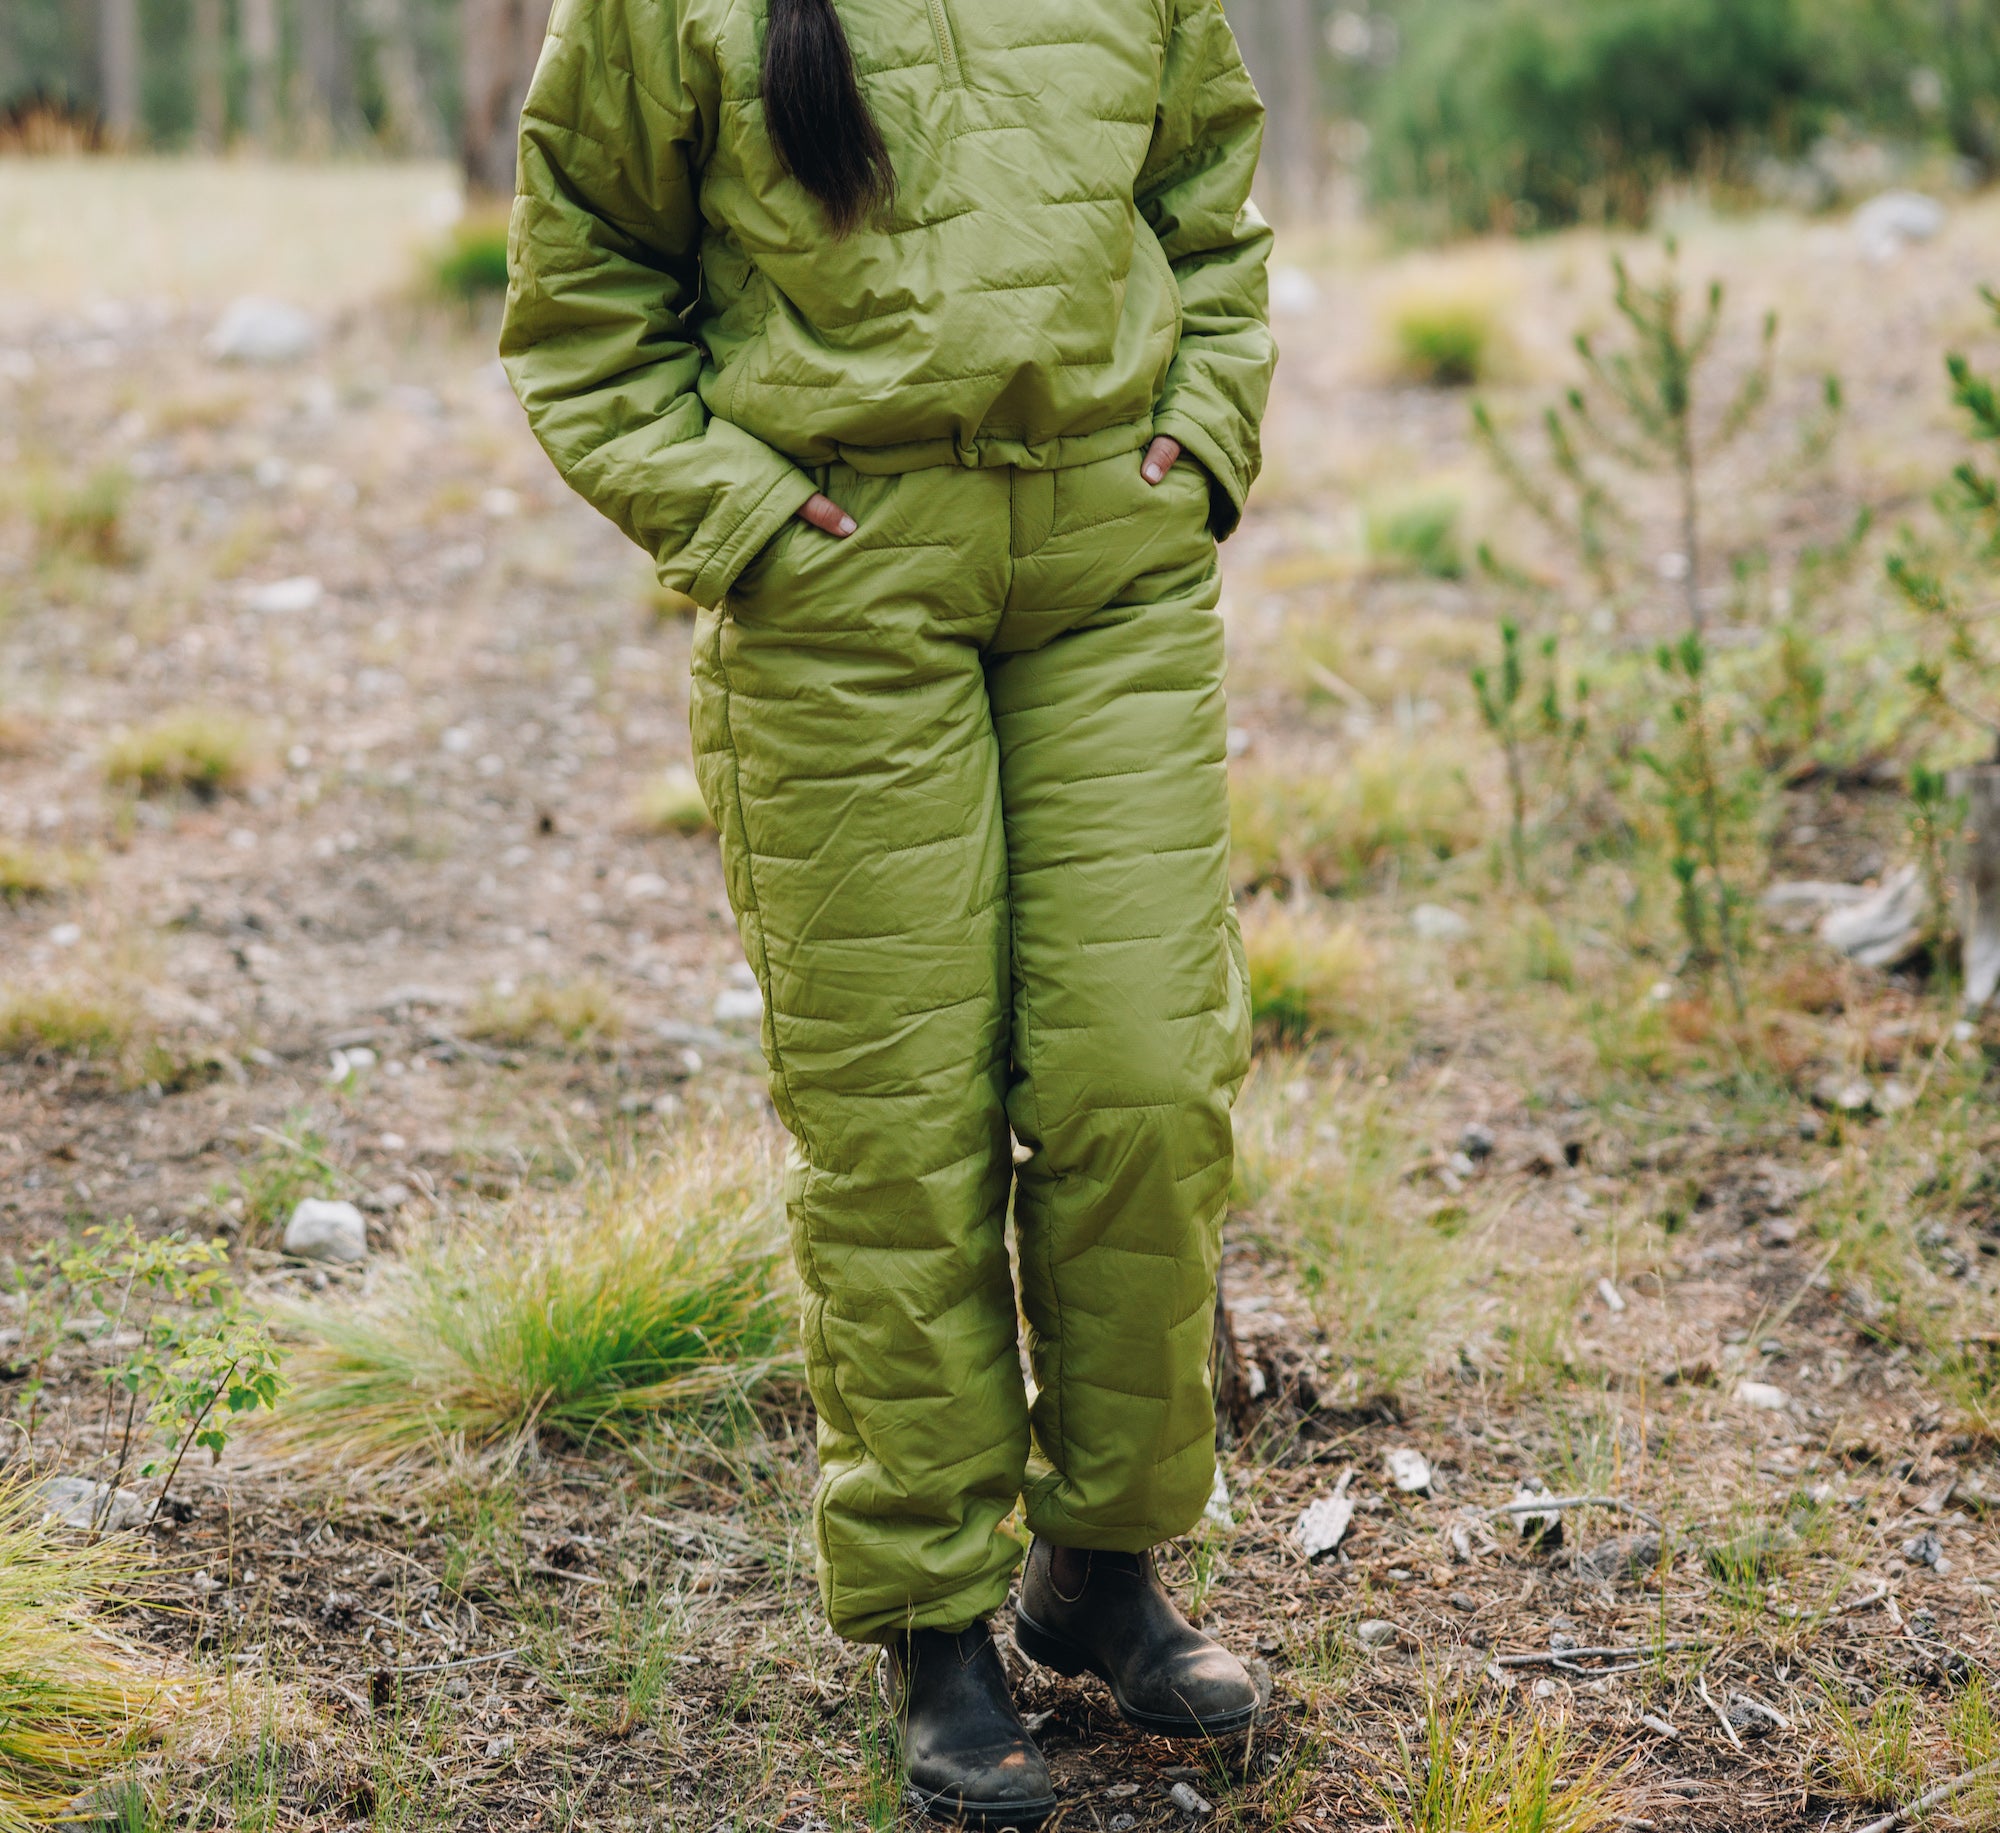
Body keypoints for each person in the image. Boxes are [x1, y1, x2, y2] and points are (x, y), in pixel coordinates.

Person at [501, 0, 1276, 1818]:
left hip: (1112, 576)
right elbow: (582, 292)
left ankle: (1102, 1568)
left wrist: (1207, 422)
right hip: (842, 600)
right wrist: (743, 516)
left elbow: (1211, 200)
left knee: (1143, 1082)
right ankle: (935, 1622)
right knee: (898, 1121)